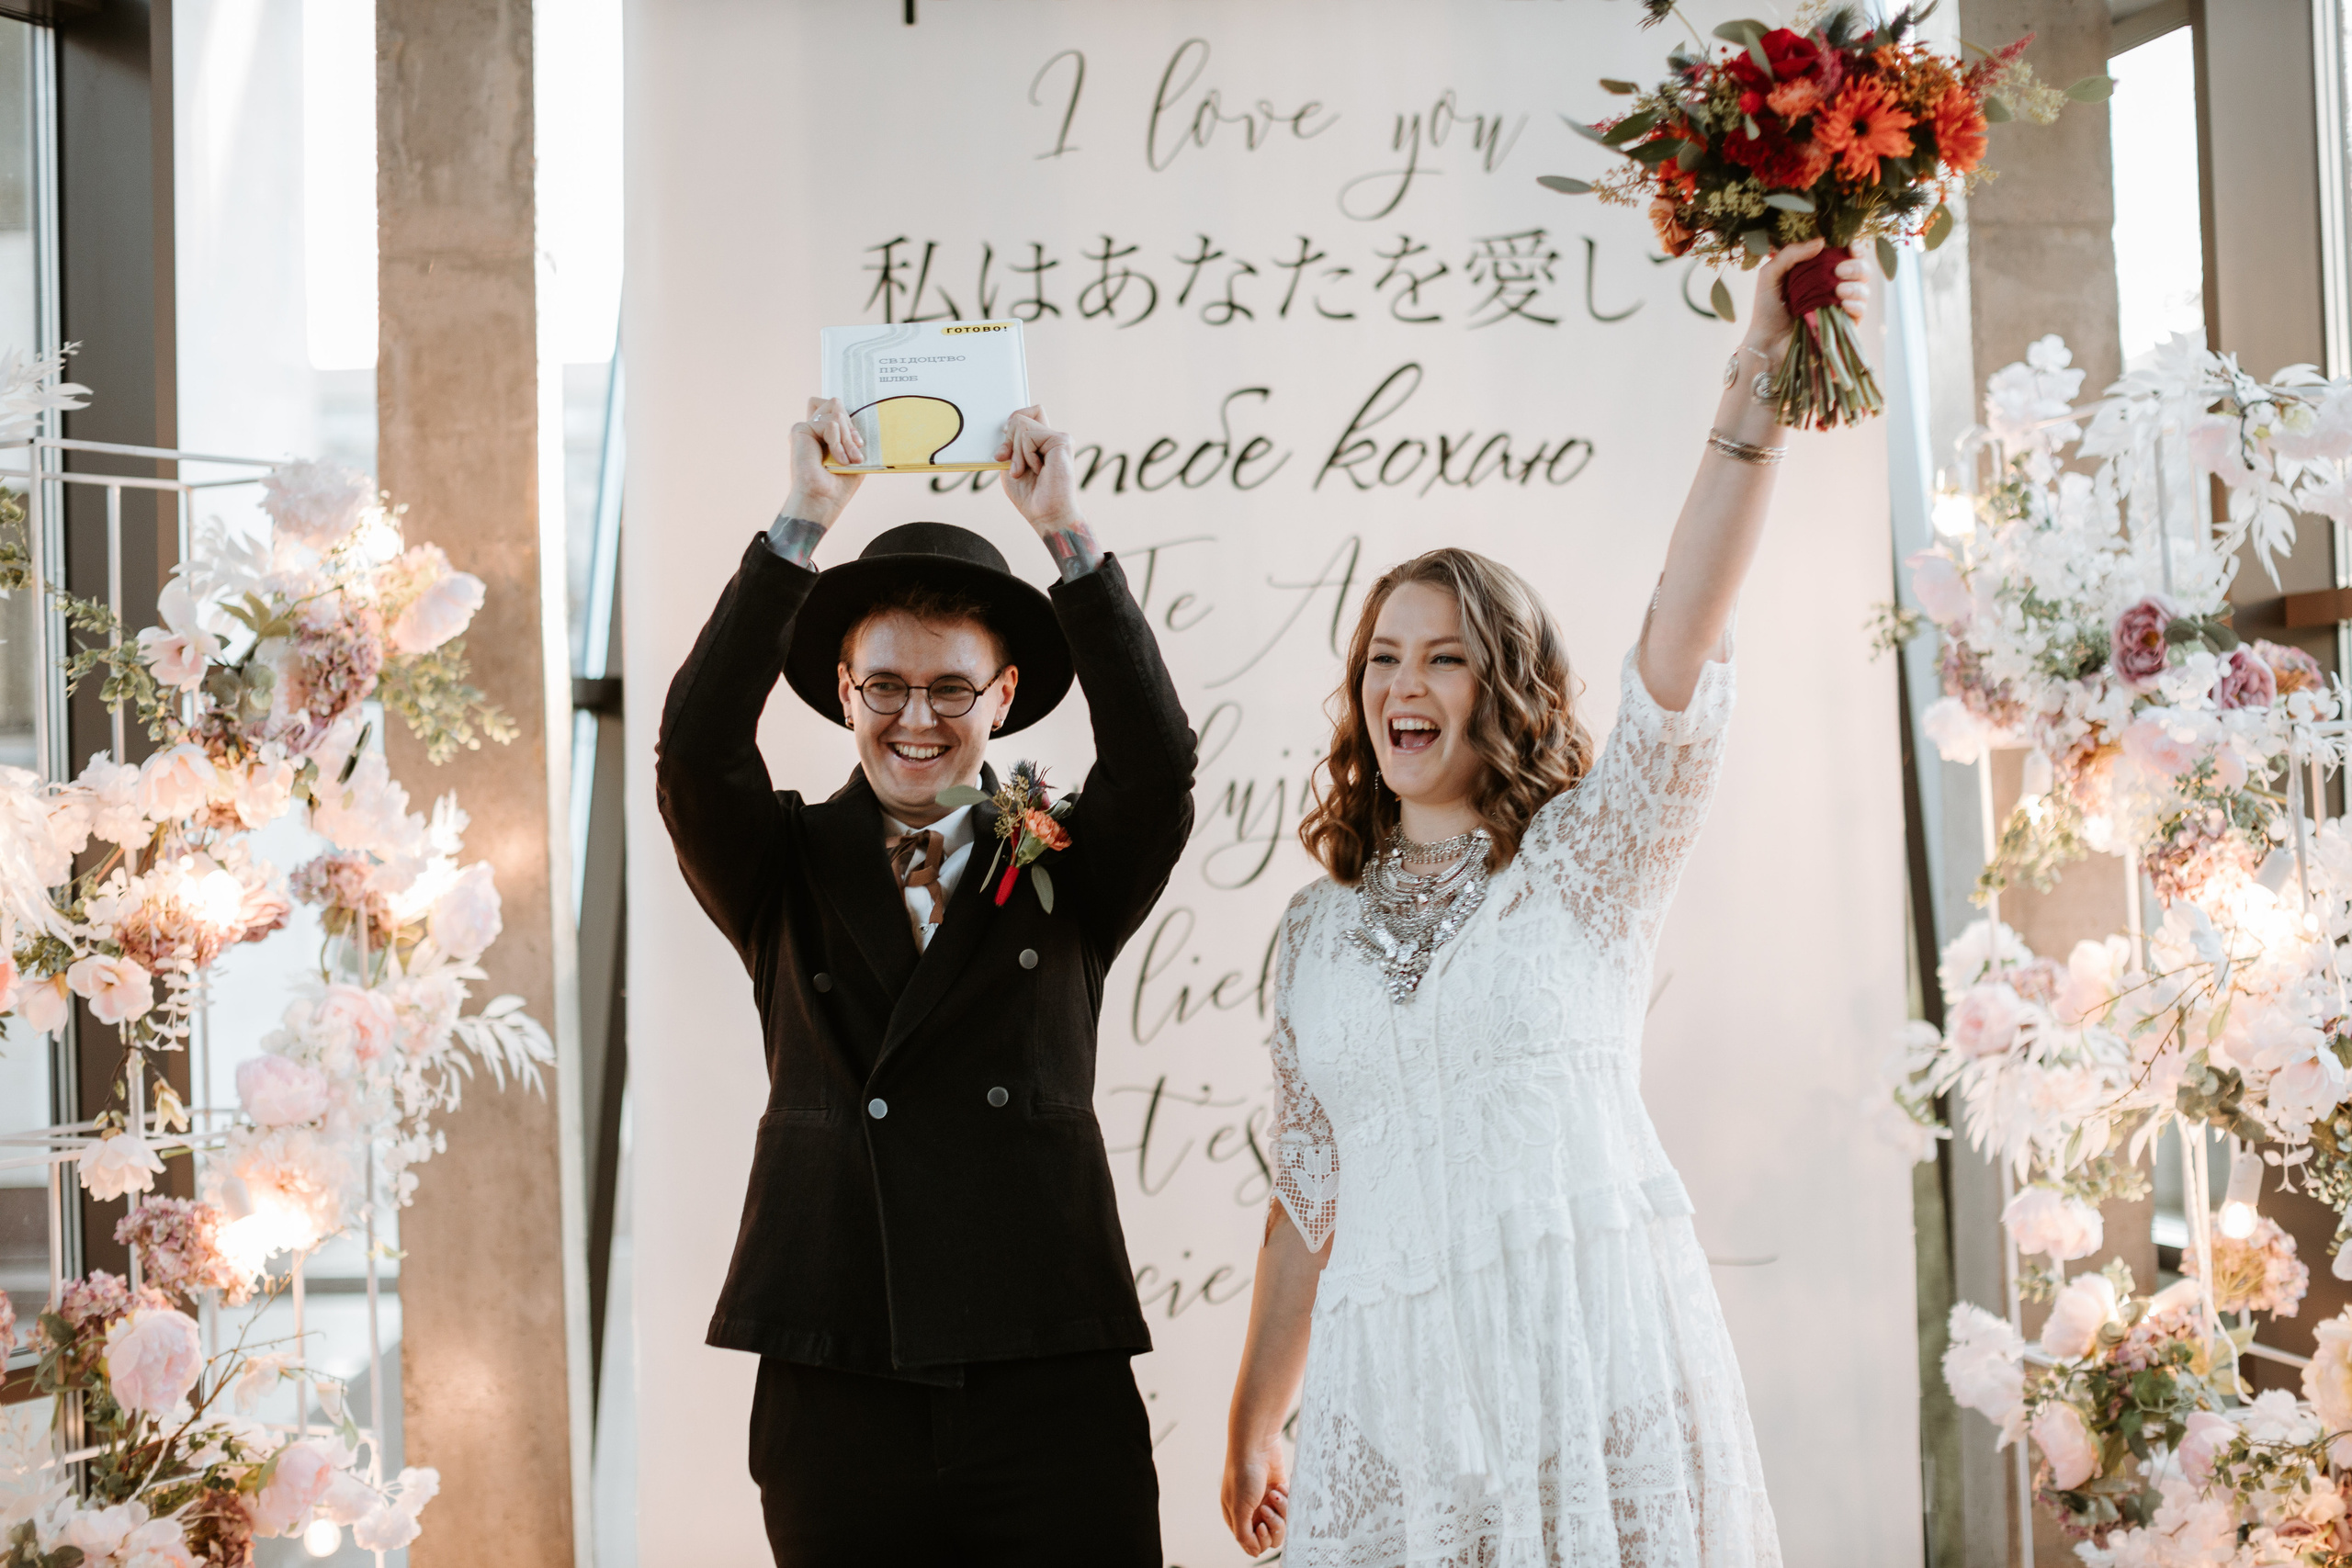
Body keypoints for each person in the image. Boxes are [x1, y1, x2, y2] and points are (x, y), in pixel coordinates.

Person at [1218, 239, 1870, 1567]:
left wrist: (1759, 371)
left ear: (1503, 687)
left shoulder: (1587, 861)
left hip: (1591, 1380)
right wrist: (1253, 1422)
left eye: (1444, 658)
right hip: (1397, 1422)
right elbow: (1306, 1199)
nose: (1405, 685)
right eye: (1382, 658)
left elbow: (1681, 634)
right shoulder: (1315, 934)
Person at [656, 399, 1193, 1567]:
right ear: (844, 690)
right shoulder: (780, 865)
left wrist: (1066, 537)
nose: (915, 719)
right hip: (837, 1362)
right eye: (885, 685)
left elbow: (1157, 765)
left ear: (1002, 697)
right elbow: (694, 751)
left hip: (1048, 1362)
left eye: (951, 688)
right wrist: (802, 522)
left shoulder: (1067, 862)